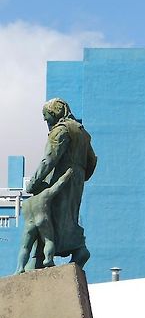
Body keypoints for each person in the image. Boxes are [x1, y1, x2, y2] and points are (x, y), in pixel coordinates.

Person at [25, 98, 97, 270]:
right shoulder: (82, 132)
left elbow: (48, 160)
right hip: (77, 180)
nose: (45, 120)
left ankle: (41, 258)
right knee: (69, 217)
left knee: (52, 217)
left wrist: (33, 183)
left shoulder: (61, 130)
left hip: (61, 179)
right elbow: (92, 160)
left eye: (46, 115)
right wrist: (80, 175)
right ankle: (78, 249)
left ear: (55, 112)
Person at [16, 168, 73, 274]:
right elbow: (58, 185)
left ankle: (20, 268)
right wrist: (67, 174)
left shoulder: (25, 202)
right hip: (42, 219)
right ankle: (48, 260)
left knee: (25, 247)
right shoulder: (44, 195)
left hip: (29, 224)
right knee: (48, 241)